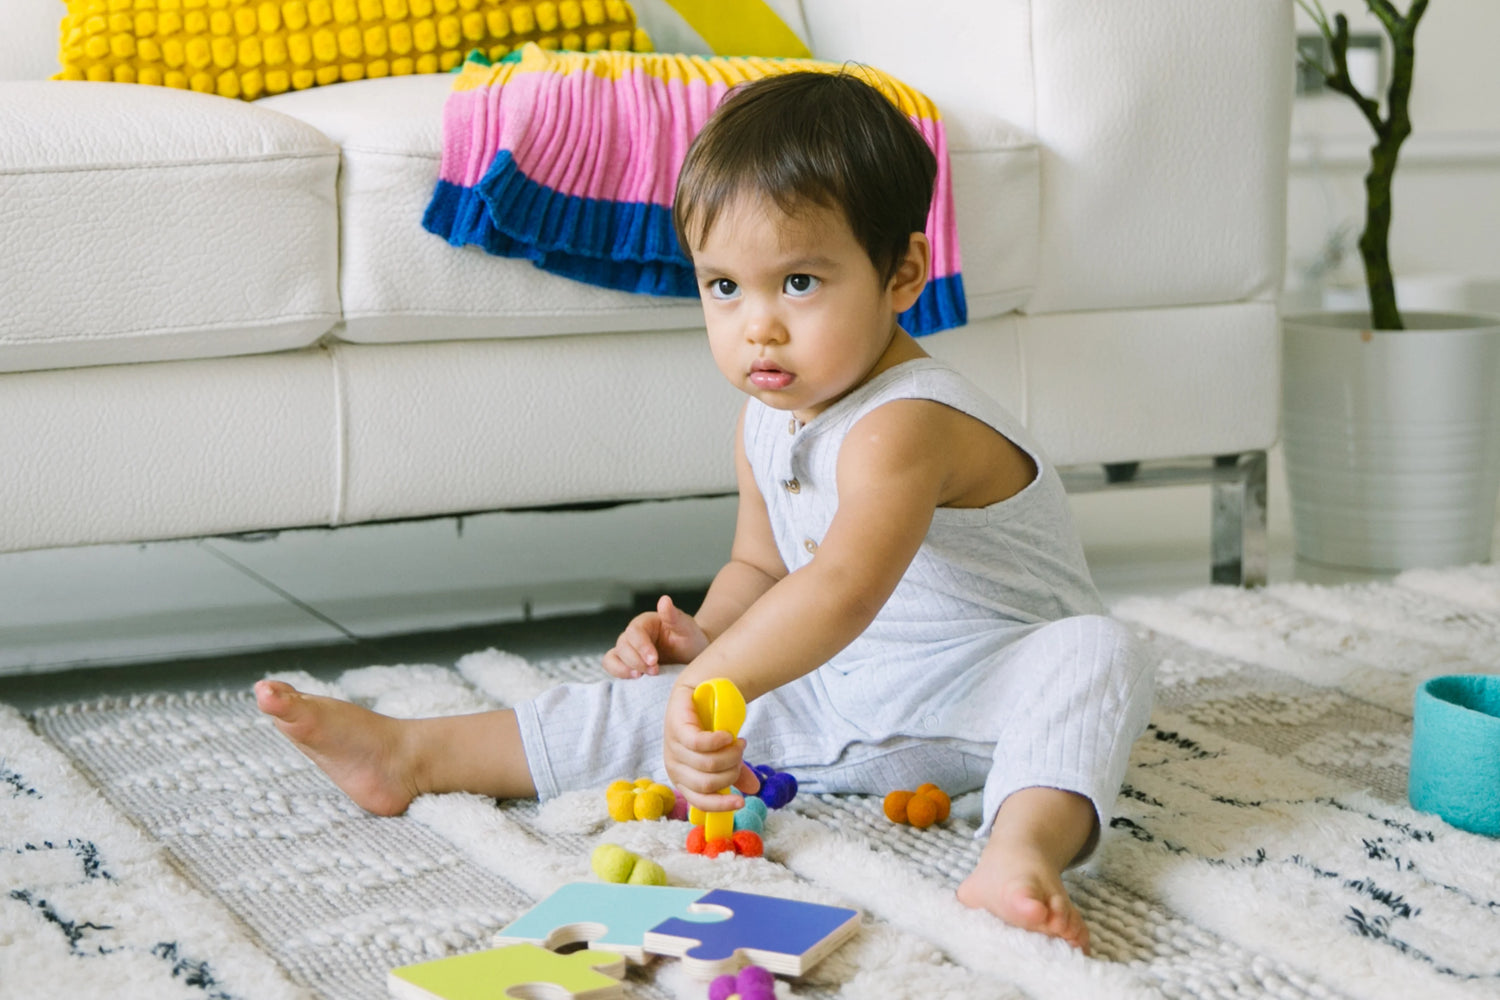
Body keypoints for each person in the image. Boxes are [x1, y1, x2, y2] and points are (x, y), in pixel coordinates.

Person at [254, 68, 1153, 954]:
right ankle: (413, 756)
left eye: (799, 283)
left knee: (1099, 652)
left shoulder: (904, 425)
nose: (758, 325)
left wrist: (716, 682)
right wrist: (707, 639)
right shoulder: (765, 419)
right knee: (643, 708)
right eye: (725, 287)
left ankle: (1019, 852)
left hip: (986, 695)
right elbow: (763, 570)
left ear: (903, 272)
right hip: (843, 692)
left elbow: (840, 588)